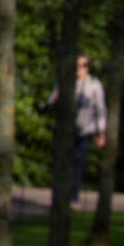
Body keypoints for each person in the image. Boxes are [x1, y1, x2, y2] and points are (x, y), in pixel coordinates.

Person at [46, 53, 107, 203]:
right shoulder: (66, 83)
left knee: (78, 162)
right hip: (66, 129)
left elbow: (100, 110)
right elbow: (52, 100)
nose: (80, 69)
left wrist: (101, 132)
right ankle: (61, 194)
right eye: (77, 65)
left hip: (85, 130)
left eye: (83, 65)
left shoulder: (94, 85)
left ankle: (73, 195)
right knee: (63, 162)